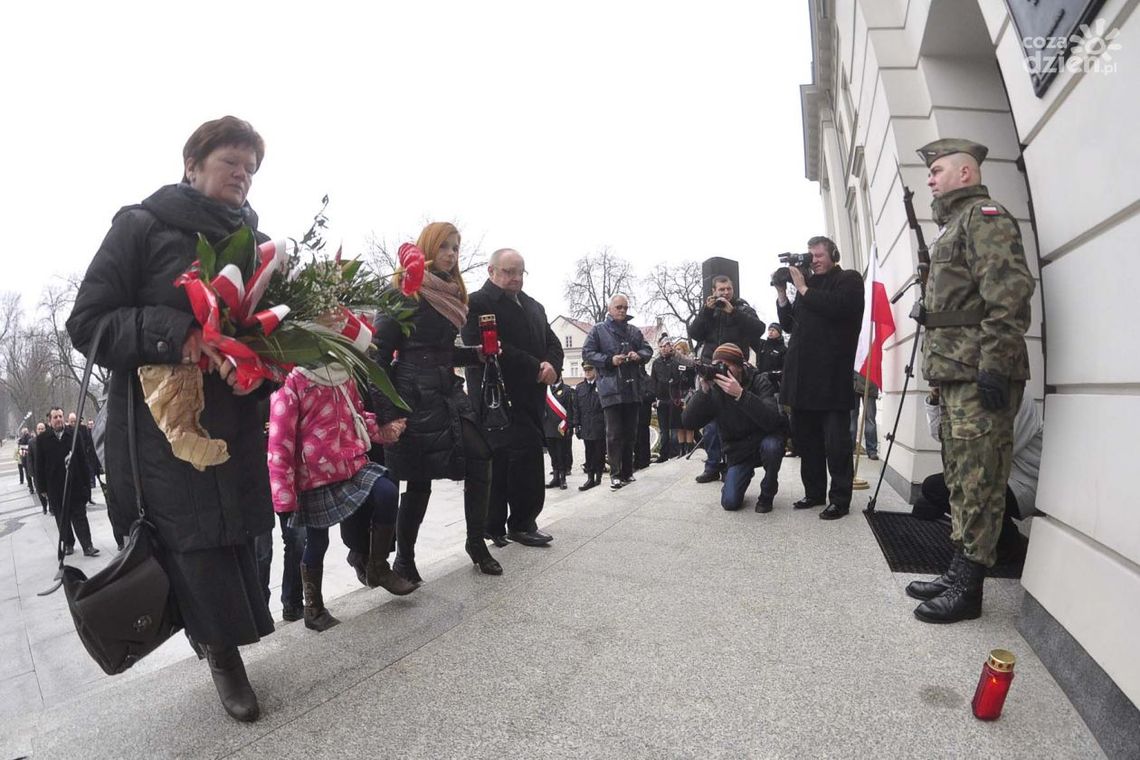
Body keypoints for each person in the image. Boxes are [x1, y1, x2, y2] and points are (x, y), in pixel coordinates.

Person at [67, 116, 275, 722]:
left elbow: (258, 331)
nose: (243, 175)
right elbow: (88, 324)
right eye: (231, 162)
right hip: (162, 427)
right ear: (192, 164)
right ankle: (222, 657)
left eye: (252, 168)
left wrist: (258, 365)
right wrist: (177, 334)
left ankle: (225, 638)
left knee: (242, 538)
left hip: (232, 418)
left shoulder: (252, 240)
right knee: (194, 544)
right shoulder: (141, 224)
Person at [905, 138, 1035, 624]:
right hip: (955, 373)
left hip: (980, 373)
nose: (931, 178)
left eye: (938, 170)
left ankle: (969, 587)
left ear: (965, 173)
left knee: (981, 481)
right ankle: (957, 568)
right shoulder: (953, 226)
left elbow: (1009, 296)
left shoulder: (984, 216)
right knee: (961, 479)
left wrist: (995, 365)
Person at [372, 222, 503, 580]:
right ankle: (404, 560)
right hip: (411, 393)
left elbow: (442, 352)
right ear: (428, 248)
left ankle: (475, 543)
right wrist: (387, 413)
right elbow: (378, 355)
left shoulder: (451, 294)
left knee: (481, 457)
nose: (451, 253)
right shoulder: (404, 291)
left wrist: (475, 354)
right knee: (417, 480)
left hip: (446, 392)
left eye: (456, 247)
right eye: (444, 246)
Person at [267, 365, 417, 631]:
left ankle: (378, 565)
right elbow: (280, 445)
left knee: (387, 490)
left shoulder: (341, 375)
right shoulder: (291, 385)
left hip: (351, 465)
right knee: (317, 541)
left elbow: (357, 416)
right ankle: (313, 607)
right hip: (313, 477)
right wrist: (284, 498)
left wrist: (382, 429)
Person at [462, 247, 563, 548]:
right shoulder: (477, 304)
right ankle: (500, 525)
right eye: (508, 271)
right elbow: (489, 348)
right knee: (503, 460)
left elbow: (552, 341)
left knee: (526, 458)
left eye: (520, 272)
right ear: (491, 271)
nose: (516, 278)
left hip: (532, 395)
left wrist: (553, 366)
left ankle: (521, 521)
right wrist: (536, 366)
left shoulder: (534, 306)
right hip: (497, 396)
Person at [775, 236, 864, 520]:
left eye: (818, 255)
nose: (813, 260)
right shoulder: (807, 288)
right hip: (802, 377)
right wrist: (782, 292)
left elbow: (839, 307)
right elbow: (789, 323)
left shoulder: (848, 279)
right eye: (810, 256)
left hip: (831, 376)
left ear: (833, 254)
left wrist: (801, 286)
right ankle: (814, 492)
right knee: (807, 441)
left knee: (836, 444)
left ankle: (839, 498)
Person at [910, 387, 1041, 562]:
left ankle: (1010, 540)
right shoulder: (970, 394)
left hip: (1020, 485)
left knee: (936, 488)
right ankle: (986, 531)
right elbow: (939, 434)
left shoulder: (1017, 396)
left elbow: (995, 453)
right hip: (992, 477)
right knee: (925, 505)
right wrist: (935, 402)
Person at [682, 344, 788, 512]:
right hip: (739, 452)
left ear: (740, 366)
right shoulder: (716, 389)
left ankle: (768, 492)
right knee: (730, 503)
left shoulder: (759, 380)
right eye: (717, 365)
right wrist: (703, 391)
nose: (722, 370)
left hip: (764, 442)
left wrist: (741, 394)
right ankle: (742, 475)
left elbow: (773, 420)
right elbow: (688, 422)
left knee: (772, 446)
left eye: (726, 365)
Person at [688, 276, 766, 485]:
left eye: (728, 289)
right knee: (711, 421)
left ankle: (731, 463)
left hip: (734, 369)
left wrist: (733, 312)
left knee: (732, 418)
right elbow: (694, 333)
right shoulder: (709, 310)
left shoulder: (742, 308)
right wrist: (706, 311)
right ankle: (713, 464)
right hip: (711, 368)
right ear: (713, 290)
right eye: (721, 289)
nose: (725, 293)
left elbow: (759, 329)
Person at [582, 294, 653, 490]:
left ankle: (628, 472)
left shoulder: (633, 331)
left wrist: (638, 355)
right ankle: (615, 473)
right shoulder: (598, 330)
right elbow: (587, 353)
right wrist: (609, 360)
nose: (622, 310)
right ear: (610, 308)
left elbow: (648, 350)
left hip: (632, 388)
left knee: (631, 432)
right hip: (611, 388)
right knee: (613, 433)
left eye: (625, 307)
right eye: (619, 307)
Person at [35, 407, 100, 556]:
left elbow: (82, 460)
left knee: (80, 517)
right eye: (55, 417)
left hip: (75, 484)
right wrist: (42, 488)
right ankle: (68, 544)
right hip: (55, 487)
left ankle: (87, 546)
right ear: (50, 420)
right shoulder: (42, 439)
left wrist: (87, 483)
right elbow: (39, 465)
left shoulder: (73, 434)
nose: (58, 419)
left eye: (60, 416)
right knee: (62, 519)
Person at [649, 335, 684, 463]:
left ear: (670, 347)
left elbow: (680, 381)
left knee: (674, 429)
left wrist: (679, 397)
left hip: (674, 399)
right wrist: (654, 398)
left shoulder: (676, 363)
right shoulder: (656, 363)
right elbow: (653, 381)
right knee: (664, 430)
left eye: (666, 346)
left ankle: (676, 453)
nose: (663, 349)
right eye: (661, 347)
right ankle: (663, 455)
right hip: (661, 400)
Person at [574, 362, 606, 490]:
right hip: (586, 425)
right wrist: (577, 425)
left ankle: (598, 476)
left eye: (590, 370)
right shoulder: (580, 388)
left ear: (595, 370)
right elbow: (576, 408)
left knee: (599, 452)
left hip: (599, 425)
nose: (587, 372)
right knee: (589, 453)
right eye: (585, 370)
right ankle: (590, 478)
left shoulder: (602, 385)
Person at [544, 376, 575, 490]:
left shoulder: (567, 390)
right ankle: (555, 477)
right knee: (552, 454)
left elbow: (571, 409)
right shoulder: (546, 390)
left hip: (561, 428)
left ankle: (562, 478)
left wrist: (570, 426)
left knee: (562, 453)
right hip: (548, 427)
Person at [671, 340, 697, 455]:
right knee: (678, 423)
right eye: (676, 349)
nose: (677, 352)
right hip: (677, 394)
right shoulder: (673, 363)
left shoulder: (690, 363)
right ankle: (681, 448)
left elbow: (693, 375)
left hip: (689, 393)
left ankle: (689, 446)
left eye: (679, 349)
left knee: (689, 422)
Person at [850, 373, 879, 460]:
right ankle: (850, 447)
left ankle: (871, 449)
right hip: (854, 382)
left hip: (870, 382)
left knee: (870, 418)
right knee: (852, 417)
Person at [26, 422, 48, 512]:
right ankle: (44, 506)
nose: (41, 430)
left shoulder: (49, 440)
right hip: (37, 471)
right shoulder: (31, 442)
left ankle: (52, 507)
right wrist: (31, 472)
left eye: (42, 429)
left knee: (50, 489)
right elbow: (29, 458)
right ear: (36, 430)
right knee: (40, 490)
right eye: (39, 429)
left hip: (48, 470)